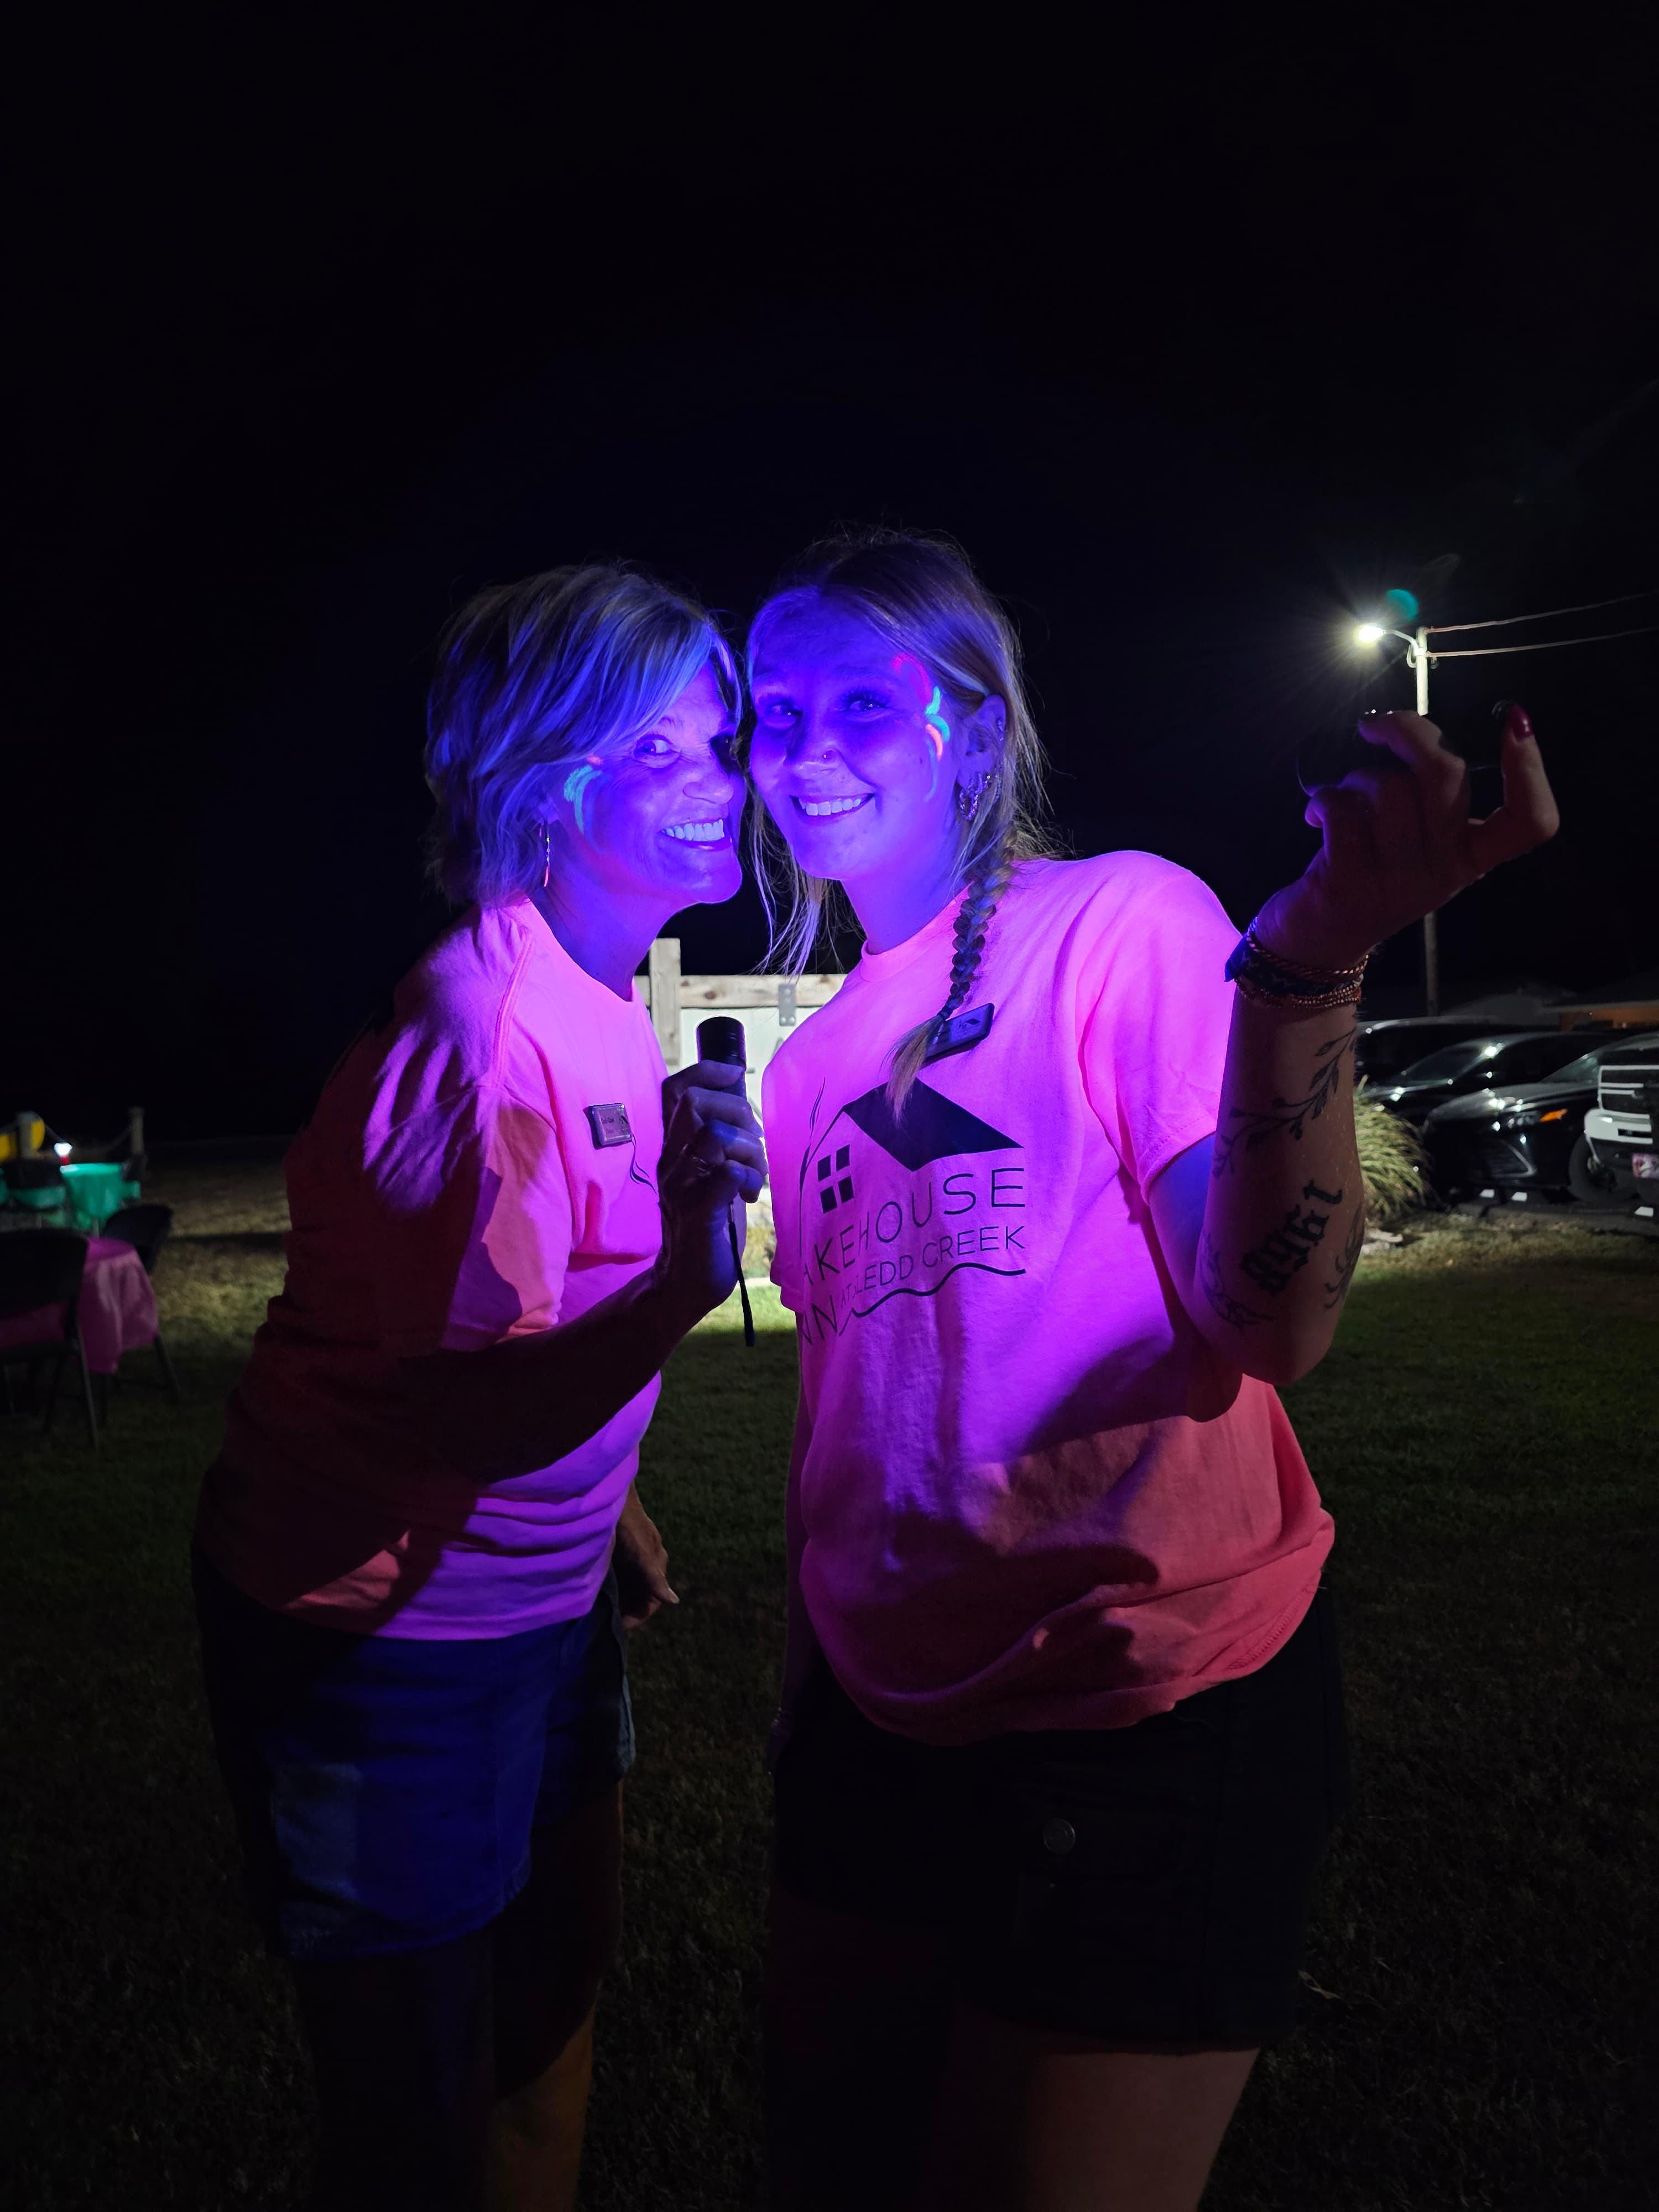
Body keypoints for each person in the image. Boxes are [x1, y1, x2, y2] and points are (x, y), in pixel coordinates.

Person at [745, 531, 1557, 2211]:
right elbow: (863, 1409)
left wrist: (1309, 973)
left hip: (1139, 1708)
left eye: (859, 705)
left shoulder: (1117, 921)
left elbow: (1273, 1320)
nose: (801, 751)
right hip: (874, 1723)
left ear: (973, 725)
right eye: (771, 712)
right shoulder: (813, 1063)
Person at [191, 565, 765, 2212]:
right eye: (689, 747)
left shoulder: (598, 997)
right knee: (413, 2106)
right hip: (376, 1634)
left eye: (724, 740)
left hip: (539, 1600)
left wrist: (611, 1503)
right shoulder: (488, 1035)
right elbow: (454, 1412)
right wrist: (676, 1281)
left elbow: (508, 1341)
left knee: (555, 1996)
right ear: (559, 773)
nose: (734, 779)